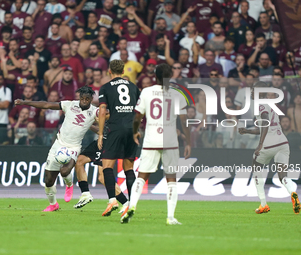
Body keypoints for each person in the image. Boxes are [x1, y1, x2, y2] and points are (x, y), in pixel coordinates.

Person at [120, 63, 191, 225]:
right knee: (171, 178)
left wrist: (135, 132)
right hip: (170, 141)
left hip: (151, 139)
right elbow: (184, 121)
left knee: (142, 176)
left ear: (155, 76)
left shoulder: (146, 92)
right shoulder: (177, 95)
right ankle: (171, 217)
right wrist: (188, 141)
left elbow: (137, 117)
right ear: (170, 77)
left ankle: (131, 207)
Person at [14, 86, 98, 211]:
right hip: (58, 144)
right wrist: (25, 102)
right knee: (48, 180)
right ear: (79, 98)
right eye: (82, 98)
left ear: (91, 99)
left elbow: (110, 115)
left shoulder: (95, 111)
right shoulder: (70, 105)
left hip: (74, 147)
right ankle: (53, 204)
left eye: (87, 99)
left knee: (64, 171)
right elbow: (47, 104)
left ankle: (69, 184)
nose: (84, 101)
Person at [238, 81, 301, 215]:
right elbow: (263, 127)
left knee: (255, 167)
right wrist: (248, 131)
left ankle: (263, 204)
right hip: (283, 142)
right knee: (283, 175)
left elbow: (265, 123)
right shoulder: (271, 105)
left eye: (253, 90)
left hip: (269, 143)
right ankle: (293, 192)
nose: (251, 93)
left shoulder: (260, 105)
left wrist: (260, 144)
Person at [97, 59, 140, 216]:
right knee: (129, 168)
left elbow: (102, 111)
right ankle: (132, 204)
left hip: (115, 128)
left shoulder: (106, 87)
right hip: (131, 129)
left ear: (109, 71)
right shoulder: (134, 87)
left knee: (107, 166)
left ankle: (112, 201)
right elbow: (140, 110)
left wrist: (101, 133)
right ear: (123, 72)